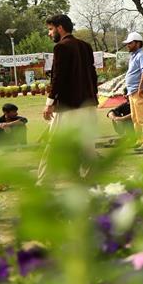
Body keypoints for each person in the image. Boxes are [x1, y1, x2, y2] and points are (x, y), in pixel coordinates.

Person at [40, 14, 99, 178]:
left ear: (60, 28)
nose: (50, 33)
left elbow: (58, 77)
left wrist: (49, 103)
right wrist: (94, 96)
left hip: (68, 107)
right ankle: (91, 178)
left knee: (54, 145)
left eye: (51, 29)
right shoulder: (85, 46)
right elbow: (93, 75)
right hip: (88, 104)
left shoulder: (61, 47)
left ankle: (44, 182)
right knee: (87, 146)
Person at [123, 32, 143, 151]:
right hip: (132, 90)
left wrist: (140, 88)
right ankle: (139, 140)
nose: (128, 45)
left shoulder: (141, 55)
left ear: (138, 43)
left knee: (142, 118)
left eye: (130, 43)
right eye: (128, 43)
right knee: (135, 118)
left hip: (139, 90)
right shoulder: (134, 56)